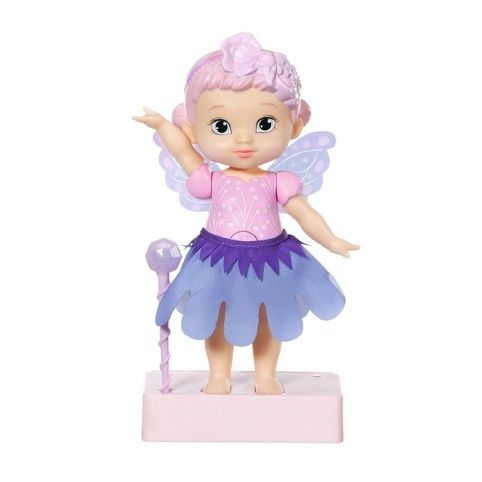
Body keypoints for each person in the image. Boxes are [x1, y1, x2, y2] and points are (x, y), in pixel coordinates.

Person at [133, 32, 359, 395]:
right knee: (217, 318)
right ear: (193, 130)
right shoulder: (212, 179)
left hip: (270, 259)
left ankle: (265, 375)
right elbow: (184, 154)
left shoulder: (278, 182)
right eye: (221, 126)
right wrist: (162, 126)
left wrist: (331, 239)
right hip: (217, 258)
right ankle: (218, 375)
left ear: (294, 126)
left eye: (264, 124)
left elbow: (304, 213)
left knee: (269, 318)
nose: (244, 140)